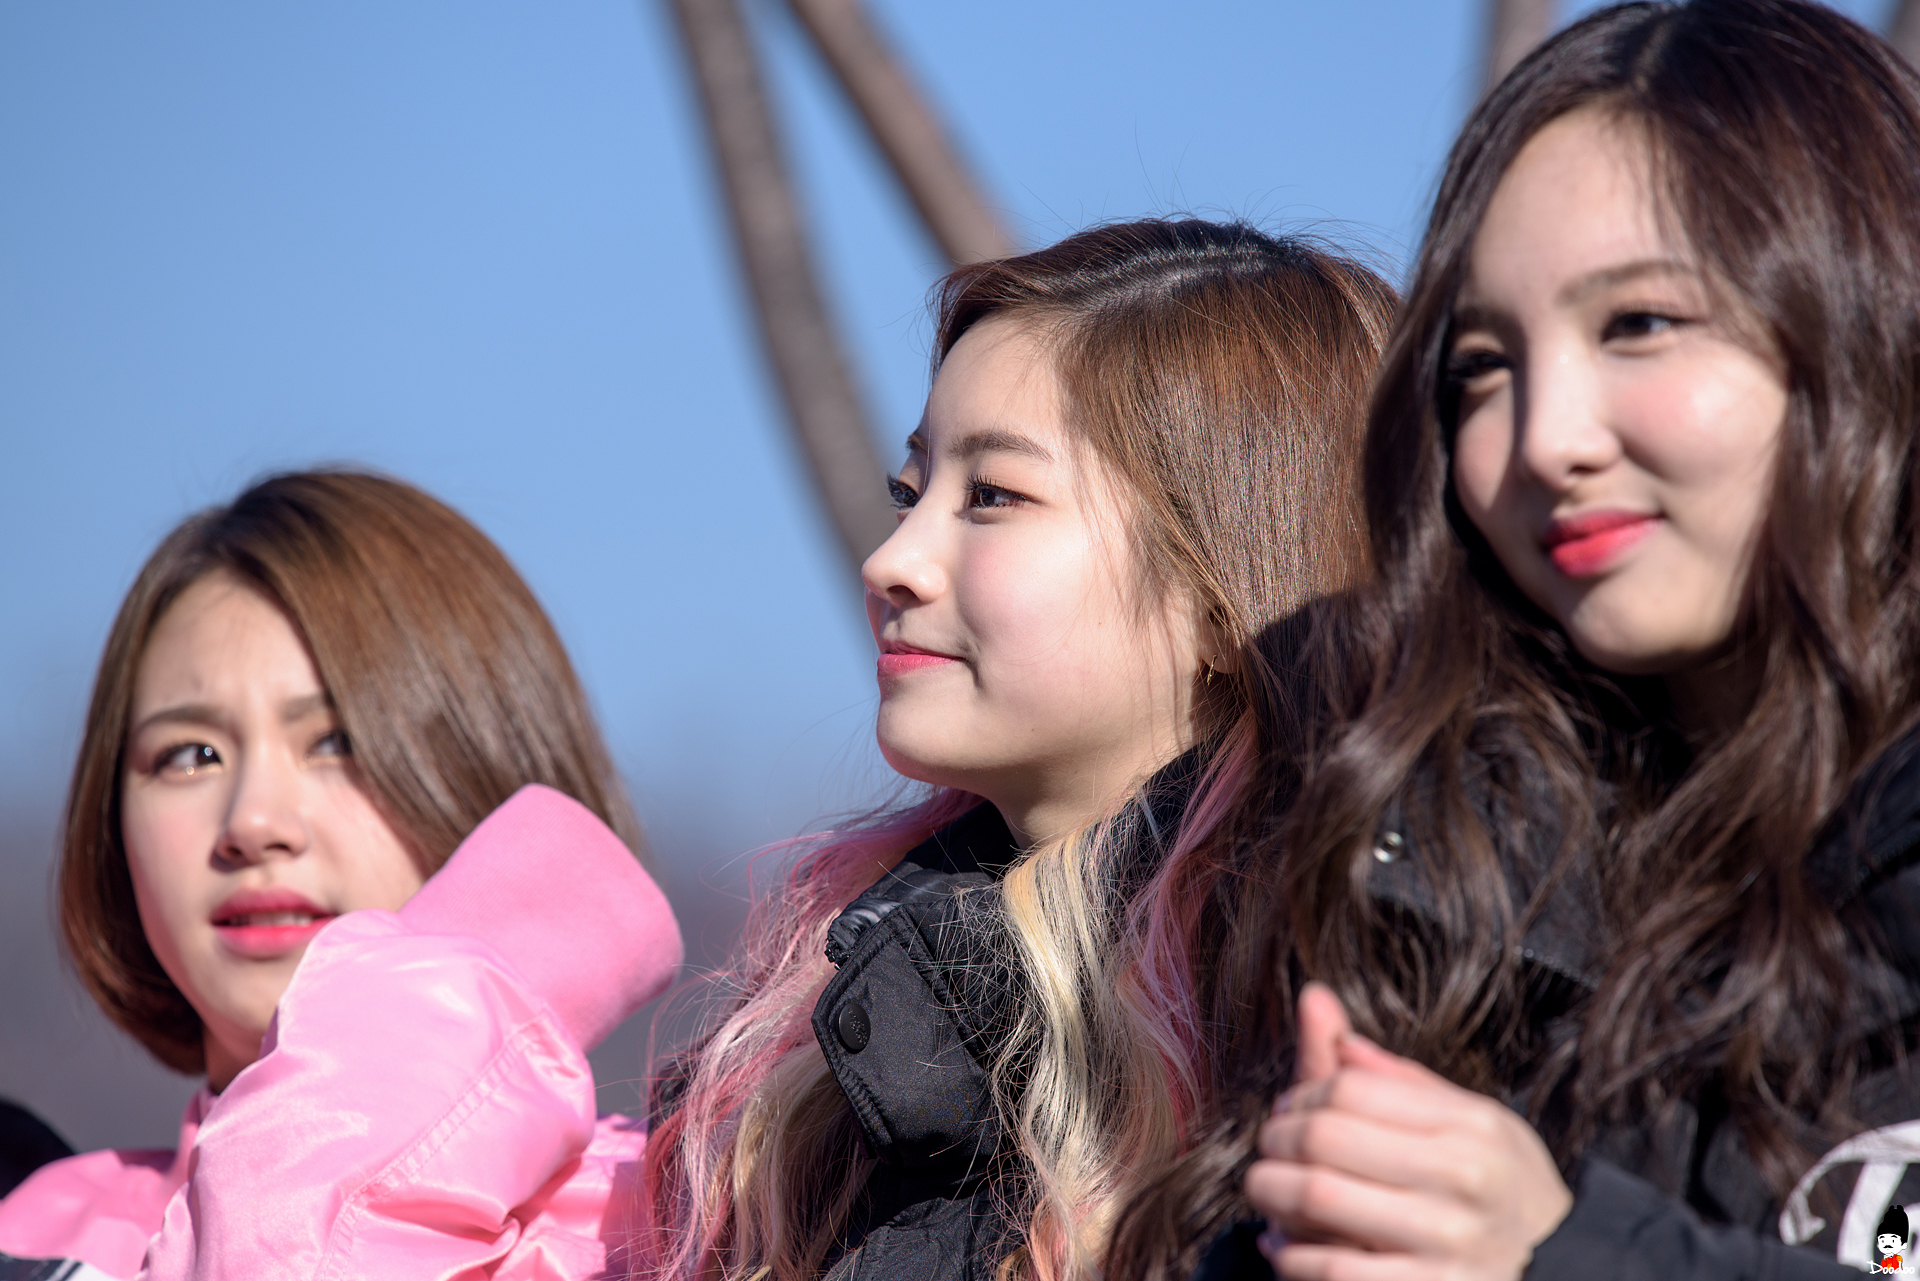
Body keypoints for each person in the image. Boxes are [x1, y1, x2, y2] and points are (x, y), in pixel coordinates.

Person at [1105, 3, 1920, 1280]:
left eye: (1640, 324)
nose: (1545, 440)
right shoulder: (1430, 854)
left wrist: (1566, 1253)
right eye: (1483, 366)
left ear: (1866, 319)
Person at [638, 218, 1397, 1281]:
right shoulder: (812, 1057)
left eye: (992, 496)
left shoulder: (1348, 1042)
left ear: (1222, 591)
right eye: (910, 493)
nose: (892, 561)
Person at [0, 471, 682, 1279]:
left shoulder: (663, 1226)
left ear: (488, 766)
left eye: (336, 743)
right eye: (191, 755)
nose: (253, 822)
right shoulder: (31, 1230)